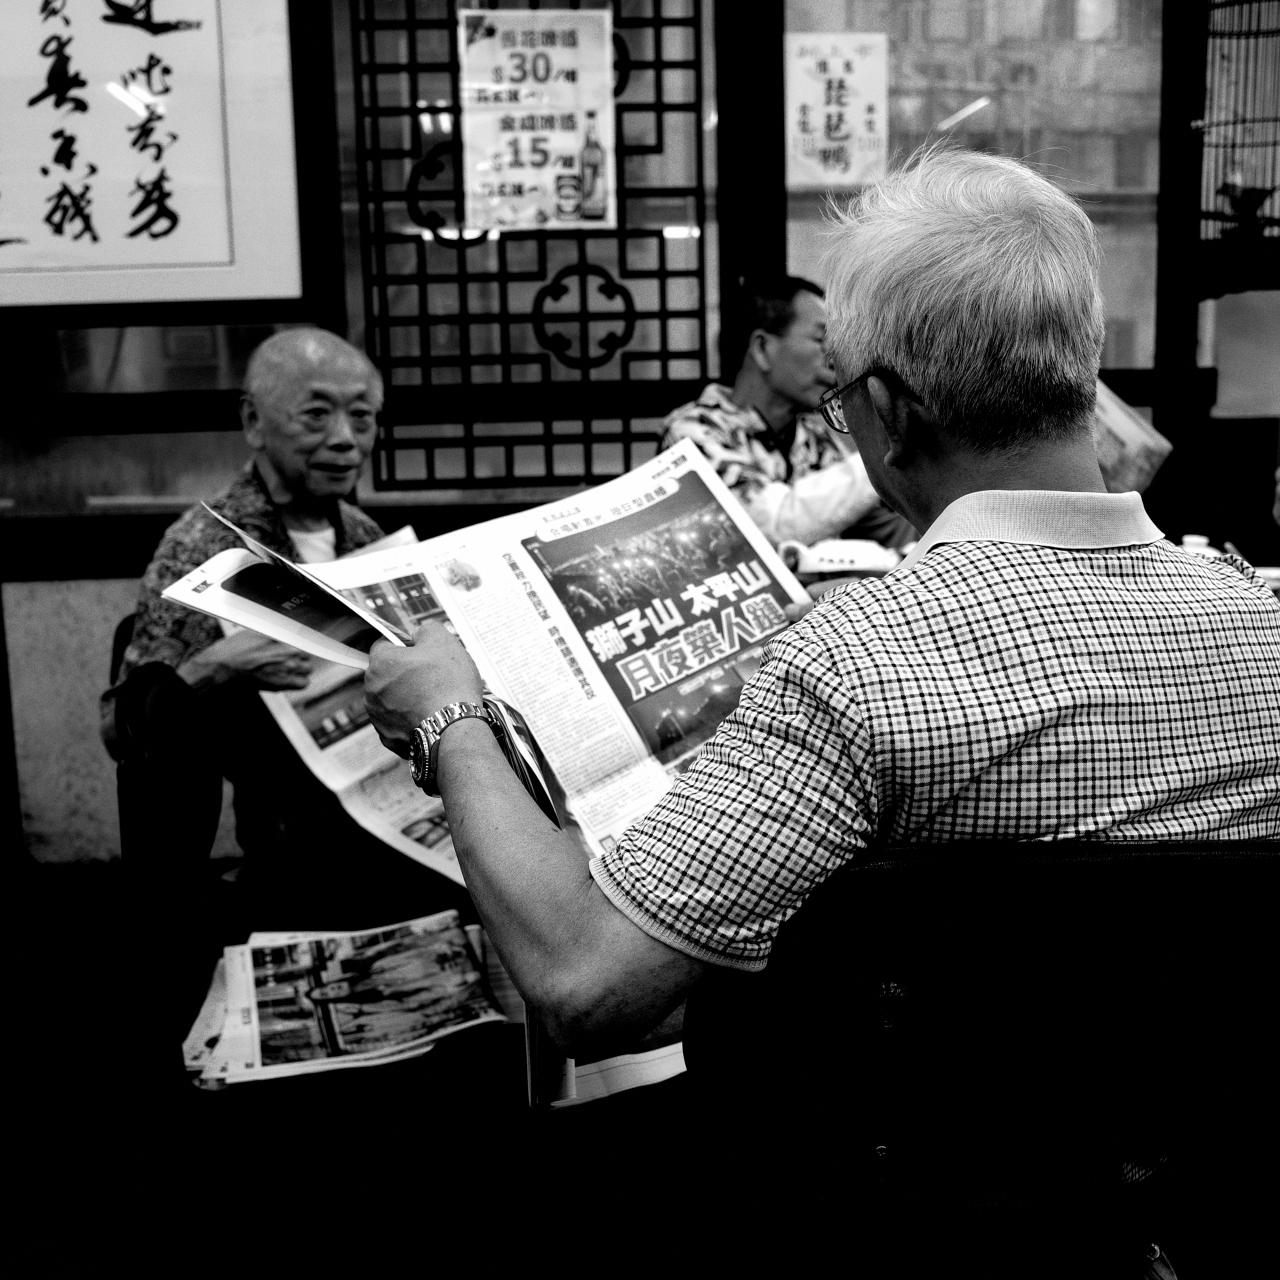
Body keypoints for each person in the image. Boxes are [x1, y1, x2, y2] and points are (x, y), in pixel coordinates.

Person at [364, 149, 1280, 1265]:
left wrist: (451, 716)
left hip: (888, 1219)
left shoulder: (852, 665)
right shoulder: (1263, 619)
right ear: (1078, 379)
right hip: (1189, 1202)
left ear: (885, 412)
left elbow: (586, 984)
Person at [102, 327, 468, 927]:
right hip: (290, 845)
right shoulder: (205, 550)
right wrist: (217, 667)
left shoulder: (365, 536)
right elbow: (120, 728)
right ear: (254, 422)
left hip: (391, 813)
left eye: (362, 417)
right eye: (317, 415)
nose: (345, 439)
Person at [661, 273, 915, 551]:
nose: (833, 359)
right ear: (762, 348)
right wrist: (880, 453)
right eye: (821, 340)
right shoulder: (695, 430)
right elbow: (769, 525)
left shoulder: (813, 436)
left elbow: (875, 526)